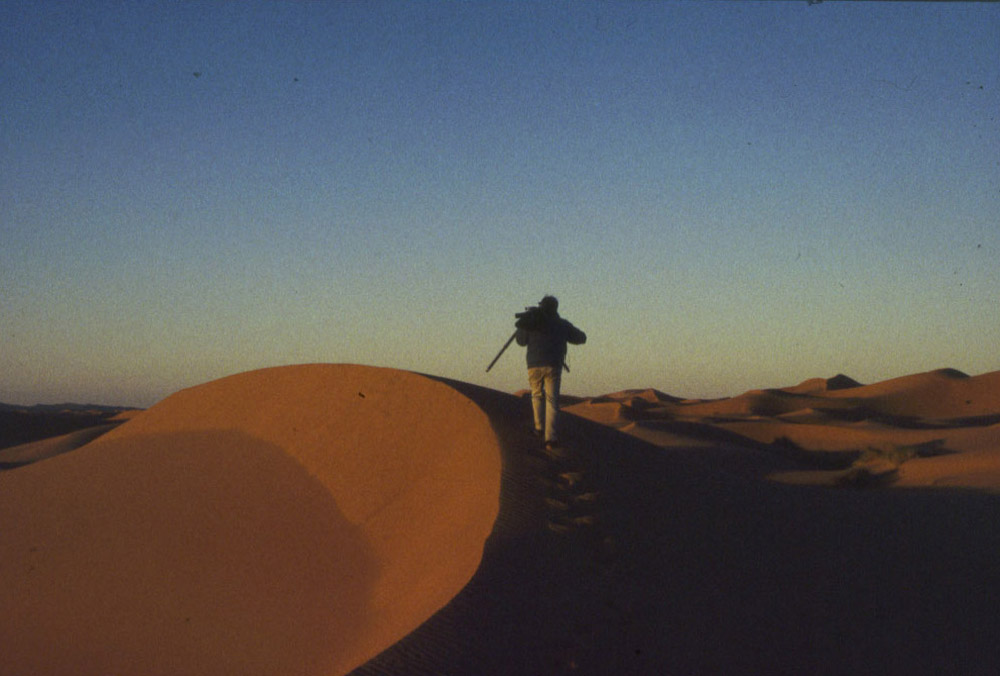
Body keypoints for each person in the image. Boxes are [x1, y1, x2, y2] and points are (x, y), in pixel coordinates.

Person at [515, 295, 586, 451]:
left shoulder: (532, 322)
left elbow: (520, 341)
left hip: (533, 365)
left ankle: (539, 428)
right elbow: (581, 338)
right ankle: (551, 439)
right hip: (553, 365)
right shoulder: (562, 324)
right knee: (552, 400)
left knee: (536, 394)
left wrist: (525, 322)